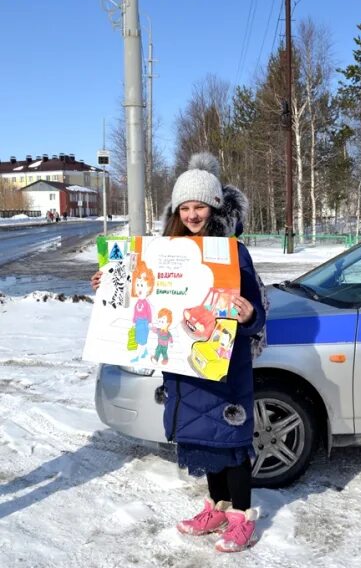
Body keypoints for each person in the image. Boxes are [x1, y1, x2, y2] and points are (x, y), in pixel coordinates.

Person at [91, 152, 265, 553]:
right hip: (184, 367)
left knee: (230, 443)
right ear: (175, 211)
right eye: (184, 207)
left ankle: (242, 517)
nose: (192, 214)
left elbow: (257, 314)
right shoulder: (162, 252)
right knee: (202, 441)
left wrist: (249, 313)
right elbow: (137, 295)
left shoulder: (233, 253)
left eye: (199, 206)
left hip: (223, 367)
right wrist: (109, 282)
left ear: (215, 207)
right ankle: (217, 508)